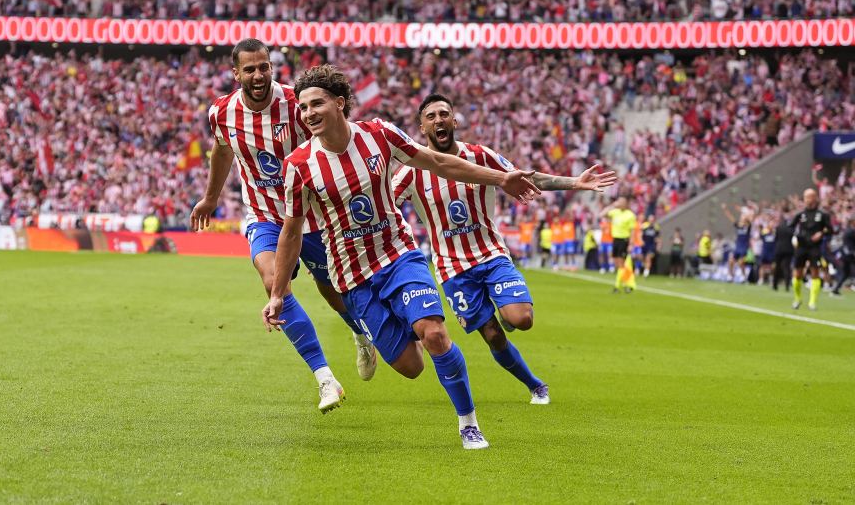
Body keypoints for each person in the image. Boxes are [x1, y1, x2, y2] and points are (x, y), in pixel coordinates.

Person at [261, 65, 541, 449]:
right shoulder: (298, 165)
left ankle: (468, 424)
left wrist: (500, 178)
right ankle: (406, 321)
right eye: (303, 107)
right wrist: (278, 293)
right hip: (353, 277)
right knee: (412, 366)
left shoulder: (379, 134)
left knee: (435, 333)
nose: (308, 113)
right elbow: (291, 232)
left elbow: (438, 162)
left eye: (317, 104)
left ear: (339, 103)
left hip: (398, 255)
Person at [391, 93, 616, 405]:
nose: (438, 120)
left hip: (491, 254)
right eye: (431, 116)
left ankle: (508, 312)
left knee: (523, 319)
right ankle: (536, 385)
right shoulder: (411, 170)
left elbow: (523, 178)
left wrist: (574, 183)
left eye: (443, 114)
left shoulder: (480, 156)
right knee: (494, 336)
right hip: (452, 268)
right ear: (422, 128)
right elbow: (383, 202)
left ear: (454, 121)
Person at [192, 40, 377, 414]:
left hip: (312, 214)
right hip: (264, 214)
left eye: (264, 66)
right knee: (272, 281)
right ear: (236, 73)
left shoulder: (297, 103)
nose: (258, 75)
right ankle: (325, 378)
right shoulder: (221, 113)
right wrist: (211, 198)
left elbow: (332, 143)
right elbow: (222, 150)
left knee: (334, 293)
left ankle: (361, 334)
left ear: (271, 67)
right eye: (250, 69)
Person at [790, 188, 833, 311]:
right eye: (805, 197)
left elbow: (830, 229)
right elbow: (791, 227)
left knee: (815, 272)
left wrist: (821, 233)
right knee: (798, 273)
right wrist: (795, 237)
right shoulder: (800, 214)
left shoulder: (822, 214)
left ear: (815, 198)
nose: (807, 200)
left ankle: (812, 302)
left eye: (809, 197)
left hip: (815, 247)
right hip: (801, 247)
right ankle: (797, 298)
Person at [602, 196, 637, 293]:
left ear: (627, 203)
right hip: (616, 239)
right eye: (619, 201)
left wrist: (631, 244)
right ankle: (625, 284)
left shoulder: (630, 215)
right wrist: (612, 205)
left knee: (622, 263)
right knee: (618, 263)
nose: (620, 203)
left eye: (623, 201)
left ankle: (618, 286)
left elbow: (632, 231)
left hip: (624, 240)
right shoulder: (615, 212)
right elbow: (602, 214)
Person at [722, 203, 753, 282]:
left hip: (744, 248)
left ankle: (744, 276)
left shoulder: (748, 227)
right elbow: (731, 217)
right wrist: (725, 209)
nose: (742, 218)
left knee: (740, 262)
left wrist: (747, 216)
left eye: (744, 217)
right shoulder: (738, 226)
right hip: (737, 247)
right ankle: (730, 276)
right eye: (742, 217)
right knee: (731, 261)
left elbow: (752, 218)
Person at [830, 215, 855, 297]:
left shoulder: (849, 230)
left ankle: (835, 289)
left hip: (847, 255)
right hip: (849, 255)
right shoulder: (849, 231)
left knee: (846, 273)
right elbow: (849, 245)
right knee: (847, 272)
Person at [773, 206, 794, 291]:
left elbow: (776, 238)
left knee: (777, 266)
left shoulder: (778, 228)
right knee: (787, 267)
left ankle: (775, 284)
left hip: (779, 249)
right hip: (788, 249)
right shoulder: (790, 228)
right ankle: (787, 285)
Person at [758, 216, 777, 286]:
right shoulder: (764, 232)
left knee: (773, 266)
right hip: (765, 251)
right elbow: (760, 236)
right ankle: (761, 279)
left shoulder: (775, 233)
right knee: (762, 265)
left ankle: (771, 278)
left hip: (773, 251)